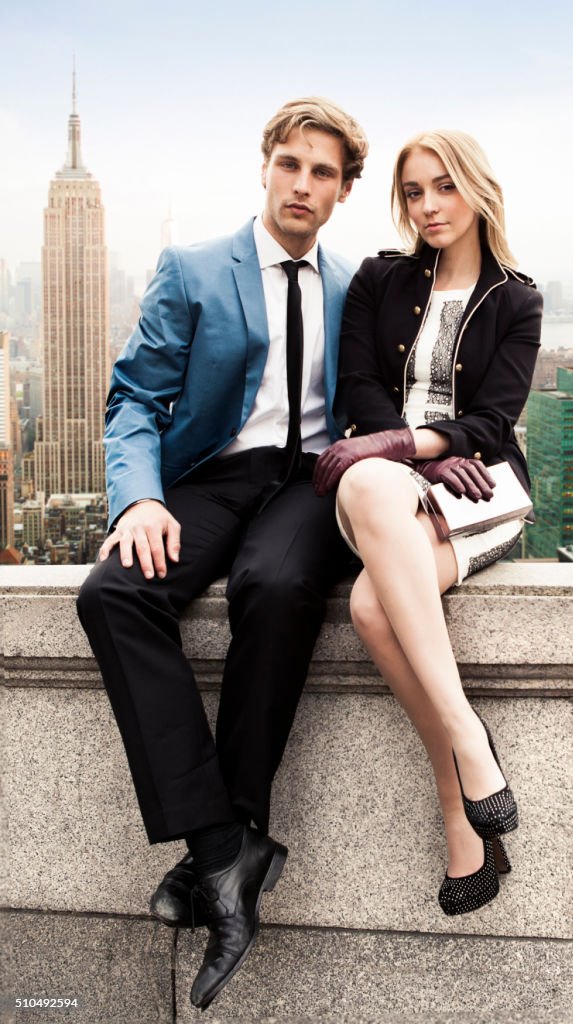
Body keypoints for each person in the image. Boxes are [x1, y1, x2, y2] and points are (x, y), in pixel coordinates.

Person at [75, 97, 367, 1010]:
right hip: (211, 476)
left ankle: (223, 855)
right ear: (266, 167)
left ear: (343, 191)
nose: (302, 184)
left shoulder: (358, 287)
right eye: (290, 164)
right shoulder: (196, 267)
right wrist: (144, 498)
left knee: (277, 586)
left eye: (323, 173)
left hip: (308, 486)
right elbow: (133, 401)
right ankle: (222, 846)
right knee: (113, 594)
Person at [311, 130, 542, 915]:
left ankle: (458, 810)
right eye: (414, 192)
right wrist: (404, 454)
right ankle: (470, 743)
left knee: (372, 606)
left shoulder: (517, 298)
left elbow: (495, 418)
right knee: (373, 482)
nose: (429, 205)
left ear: (474, 189)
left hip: (473, 487)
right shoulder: (381, 278)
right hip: (381, 479)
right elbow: (358, 388)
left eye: (443, 186)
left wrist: (437, 447)